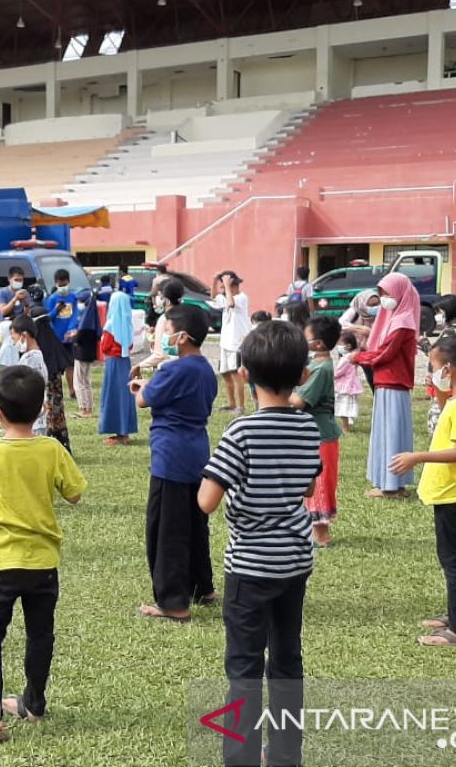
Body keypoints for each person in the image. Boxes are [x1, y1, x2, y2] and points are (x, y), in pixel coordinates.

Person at [199, 321, 319, 766]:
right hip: (294, 563)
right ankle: (287, 755)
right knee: (287, 661)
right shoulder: (307, 428)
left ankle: (242, 757)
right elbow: (308, 488)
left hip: (249, 568)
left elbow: (206, 501)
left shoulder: (241, 433)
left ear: (244, 375)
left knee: (244, 668)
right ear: (303, 375)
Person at [0, 366, 86, 744]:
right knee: (40, 634)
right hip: (43, 562)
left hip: (0, 562)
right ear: (43, 407)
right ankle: (33, 703)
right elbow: (75, 494)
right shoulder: (51, 448)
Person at [388, 335, 456, 648]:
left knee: (453, 561)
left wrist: (417, 456)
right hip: (450, 492)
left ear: (450, 368)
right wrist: (441, 393)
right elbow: (446, 418)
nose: (433, 371)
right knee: (453, 560)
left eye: (436, 367)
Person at [130, 305, 217, 622]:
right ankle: (202, 587)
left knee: (167, 530)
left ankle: (174, 603)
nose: (162, 335)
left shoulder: (173, 370)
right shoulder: (205, 368)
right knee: (195, 525)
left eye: (166, 330)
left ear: (181, 336)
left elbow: (144, 399)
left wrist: (141, 388)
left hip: (171, 456)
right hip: (197, 452)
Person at [351, 274, 419, 499]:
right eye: (381, 294)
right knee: (390, 432)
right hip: (388, 381)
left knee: (391, 433)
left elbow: (385, 353)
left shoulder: (402, 321)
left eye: (387, 293)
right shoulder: (395, 317)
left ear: (400, 293)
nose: (384, 298)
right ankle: (391, 483)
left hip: (393, 381)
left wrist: (358, 358)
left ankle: (390, 486)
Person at [291, 317, 343, 548]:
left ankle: (321, 533)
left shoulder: (321, 369)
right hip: (312, 434)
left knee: (320, 482)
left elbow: (299, 401)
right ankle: (312, 530)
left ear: (319, 344)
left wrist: (278, 389)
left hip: (321, 436)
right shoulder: (316, 366)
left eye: (306, 338)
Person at [32, 308, 75, 452]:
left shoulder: (38, 344)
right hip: (55, 383)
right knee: (57, 412)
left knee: (48, 412)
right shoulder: (51, 338)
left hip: (45, 387)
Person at [99, 291, 139, 445]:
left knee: (114, 396)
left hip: (114, 363)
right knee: (124, 396)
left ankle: (119, 432)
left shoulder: (110, 325)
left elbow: (104, 347)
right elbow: (129, 345)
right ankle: (124, 430)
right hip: (125, 362)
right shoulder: (128, 324)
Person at [425, 295, 456, 436]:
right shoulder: (454, 329)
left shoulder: (451, 332)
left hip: (444, 382)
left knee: (438, 419)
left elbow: (440, 355)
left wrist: (424, 345)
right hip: (444, 380)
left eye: (439, 312)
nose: (437, 315)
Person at [211, 271, 252, 414]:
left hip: (236, 343)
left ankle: (240, 406)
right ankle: (231, 403)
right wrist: (215, 281)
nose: (222, 290)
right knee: (225, 373)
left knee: (236, 375)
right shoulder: (226, 296)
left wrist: (226, 285)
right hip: (225, 343)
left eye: (226, 287)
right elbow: (214, 298)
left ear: (233, 285)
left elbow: (230, 303)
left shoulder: (242, 298)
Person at [133, 278, 186, 374]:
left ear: (166, 300)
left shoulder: (165, 319)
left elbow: (159, 355)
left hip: (168, 369)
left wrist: (138, 366)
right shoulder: (185, 314)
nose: (155, 299)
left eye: (159, 296)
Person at [45, 269, 80, 399]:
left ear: (68, 282)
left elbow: (75, 315)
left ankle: (72, 389)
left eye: (64, 284)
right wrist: (56, 310)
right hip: (56, 337)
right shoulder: (52, 298)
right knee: (57, 367)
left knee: (71, 364)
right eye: (60, 285)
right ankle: (57, 389)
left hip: (69, 338)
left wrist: (71, 329)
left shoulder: (73, 297)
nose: (62, 287)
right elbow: (48, 317)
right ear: (55, 284)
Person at [10, 315, 48, 434]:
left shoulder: (31, 358)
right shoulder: (37, 355)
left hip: (33, 419)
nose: (13, 343)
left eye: (14, 338)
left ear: (24, 335)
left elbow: (27, 389)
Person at [339, 287, 381, 387]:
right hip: (351, 347)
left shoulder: (380, 314)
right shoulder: (355, 311)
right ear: (363, 304)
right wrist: (359, 329)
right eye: (371, 305)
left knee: (371, 375)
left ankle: (376, 396)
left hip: (367, 349)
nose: (375, 307)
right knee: (346, 375)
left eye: (377, 304)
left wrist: (371, 333)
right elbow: (341, 323)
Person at [72, 284, 102, 418]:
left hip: (82, 354)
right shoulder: (93, 318)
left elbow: (80, 337)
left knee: (80, 382)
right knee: (86, 381)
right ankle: (88, 408)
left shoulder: (86, 321)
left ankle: (85, 409)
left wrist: (73, 336)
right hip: (89, 353)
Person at [334, 331, 363, 433]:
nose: (338, 346)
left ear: (348, 346)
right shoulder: (352, 357)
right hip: (350, 386)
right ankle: (348, 425)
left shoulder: (346, 359)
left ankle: (345, 428)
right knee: (348, 406)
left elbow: (337, 373)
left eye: (340, 344)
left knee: (343, 409)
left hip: (344, 387)